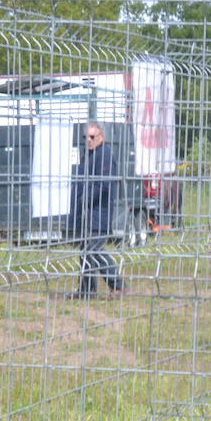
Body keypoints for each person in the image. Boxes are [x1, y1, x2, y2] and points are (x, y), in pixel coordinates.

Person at [67, 122, 123, 299]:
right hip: (86, 212)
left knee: (94, 249)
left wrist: (86, 198)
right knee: (85, 251)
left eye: (92, 137)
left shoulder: (105, 155)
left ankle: (118, 285)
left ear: (101, 138)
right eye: (86, 137)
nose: (89, 140)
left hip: (100, 212)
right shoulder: (88, 155)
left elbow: (104, 185)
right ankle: (86, 291)